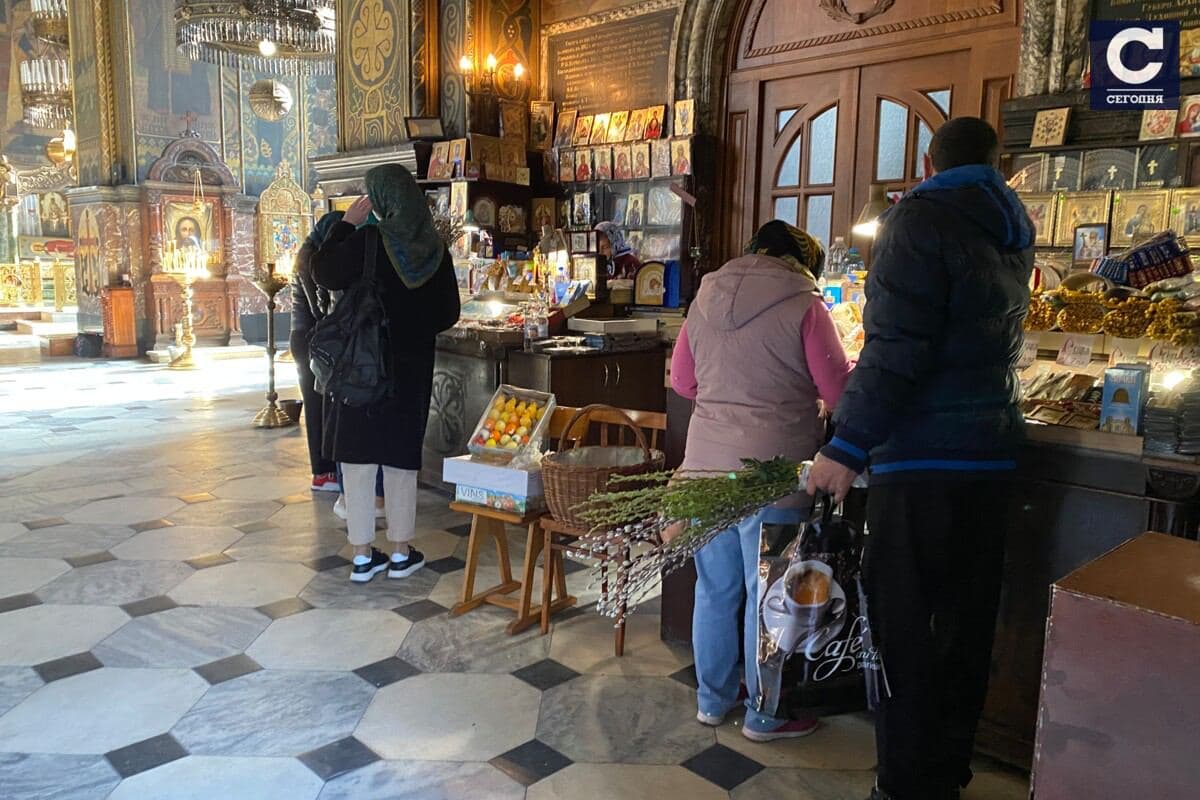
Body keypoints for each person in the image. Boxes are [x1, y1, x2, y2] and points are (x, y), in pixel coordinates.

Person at [807, 117, 1033, 800]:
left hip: (923, 462)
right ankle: (947, 779)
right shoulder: (1013, 228)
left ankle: (903, 787)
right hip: (991, 459)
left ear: (930, 161)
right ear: (998, 163)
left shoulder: (919, 221)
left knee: (903, 632)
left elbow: (896, 349)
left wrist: (845, 446)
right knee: (964, 632)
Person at [667, 220, 853, 743]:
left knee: (715, 590)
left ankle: (711, 700)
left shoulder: (705, 295)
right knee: (767, 597)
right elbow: (838, 392)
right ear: (801, 261)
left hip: (705, 471)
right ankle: (765, 714)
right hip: (774, 475)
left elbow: (683, 382)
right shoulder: (805, 303)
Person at [312, 164, 461, 583]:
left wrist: (344, 225)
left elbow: (322, 271)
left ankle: (362, 555)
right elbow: (448, 313)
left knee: (357, 458)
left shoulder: (366, 242)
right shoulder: (434, 250)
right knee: (400, 460)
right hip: (410, 373)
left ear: (379, 200)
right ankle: (400, 552)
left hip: (361, 368)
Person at [291, 212, 342, 493]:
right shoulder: (309, 259)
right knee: (315, 405)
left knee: (322, 405)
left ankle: (328, 469)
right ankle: (322, 472)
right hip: (309, 340)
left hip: (312, 339)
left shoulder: (310, 253)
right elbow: (319, 309)